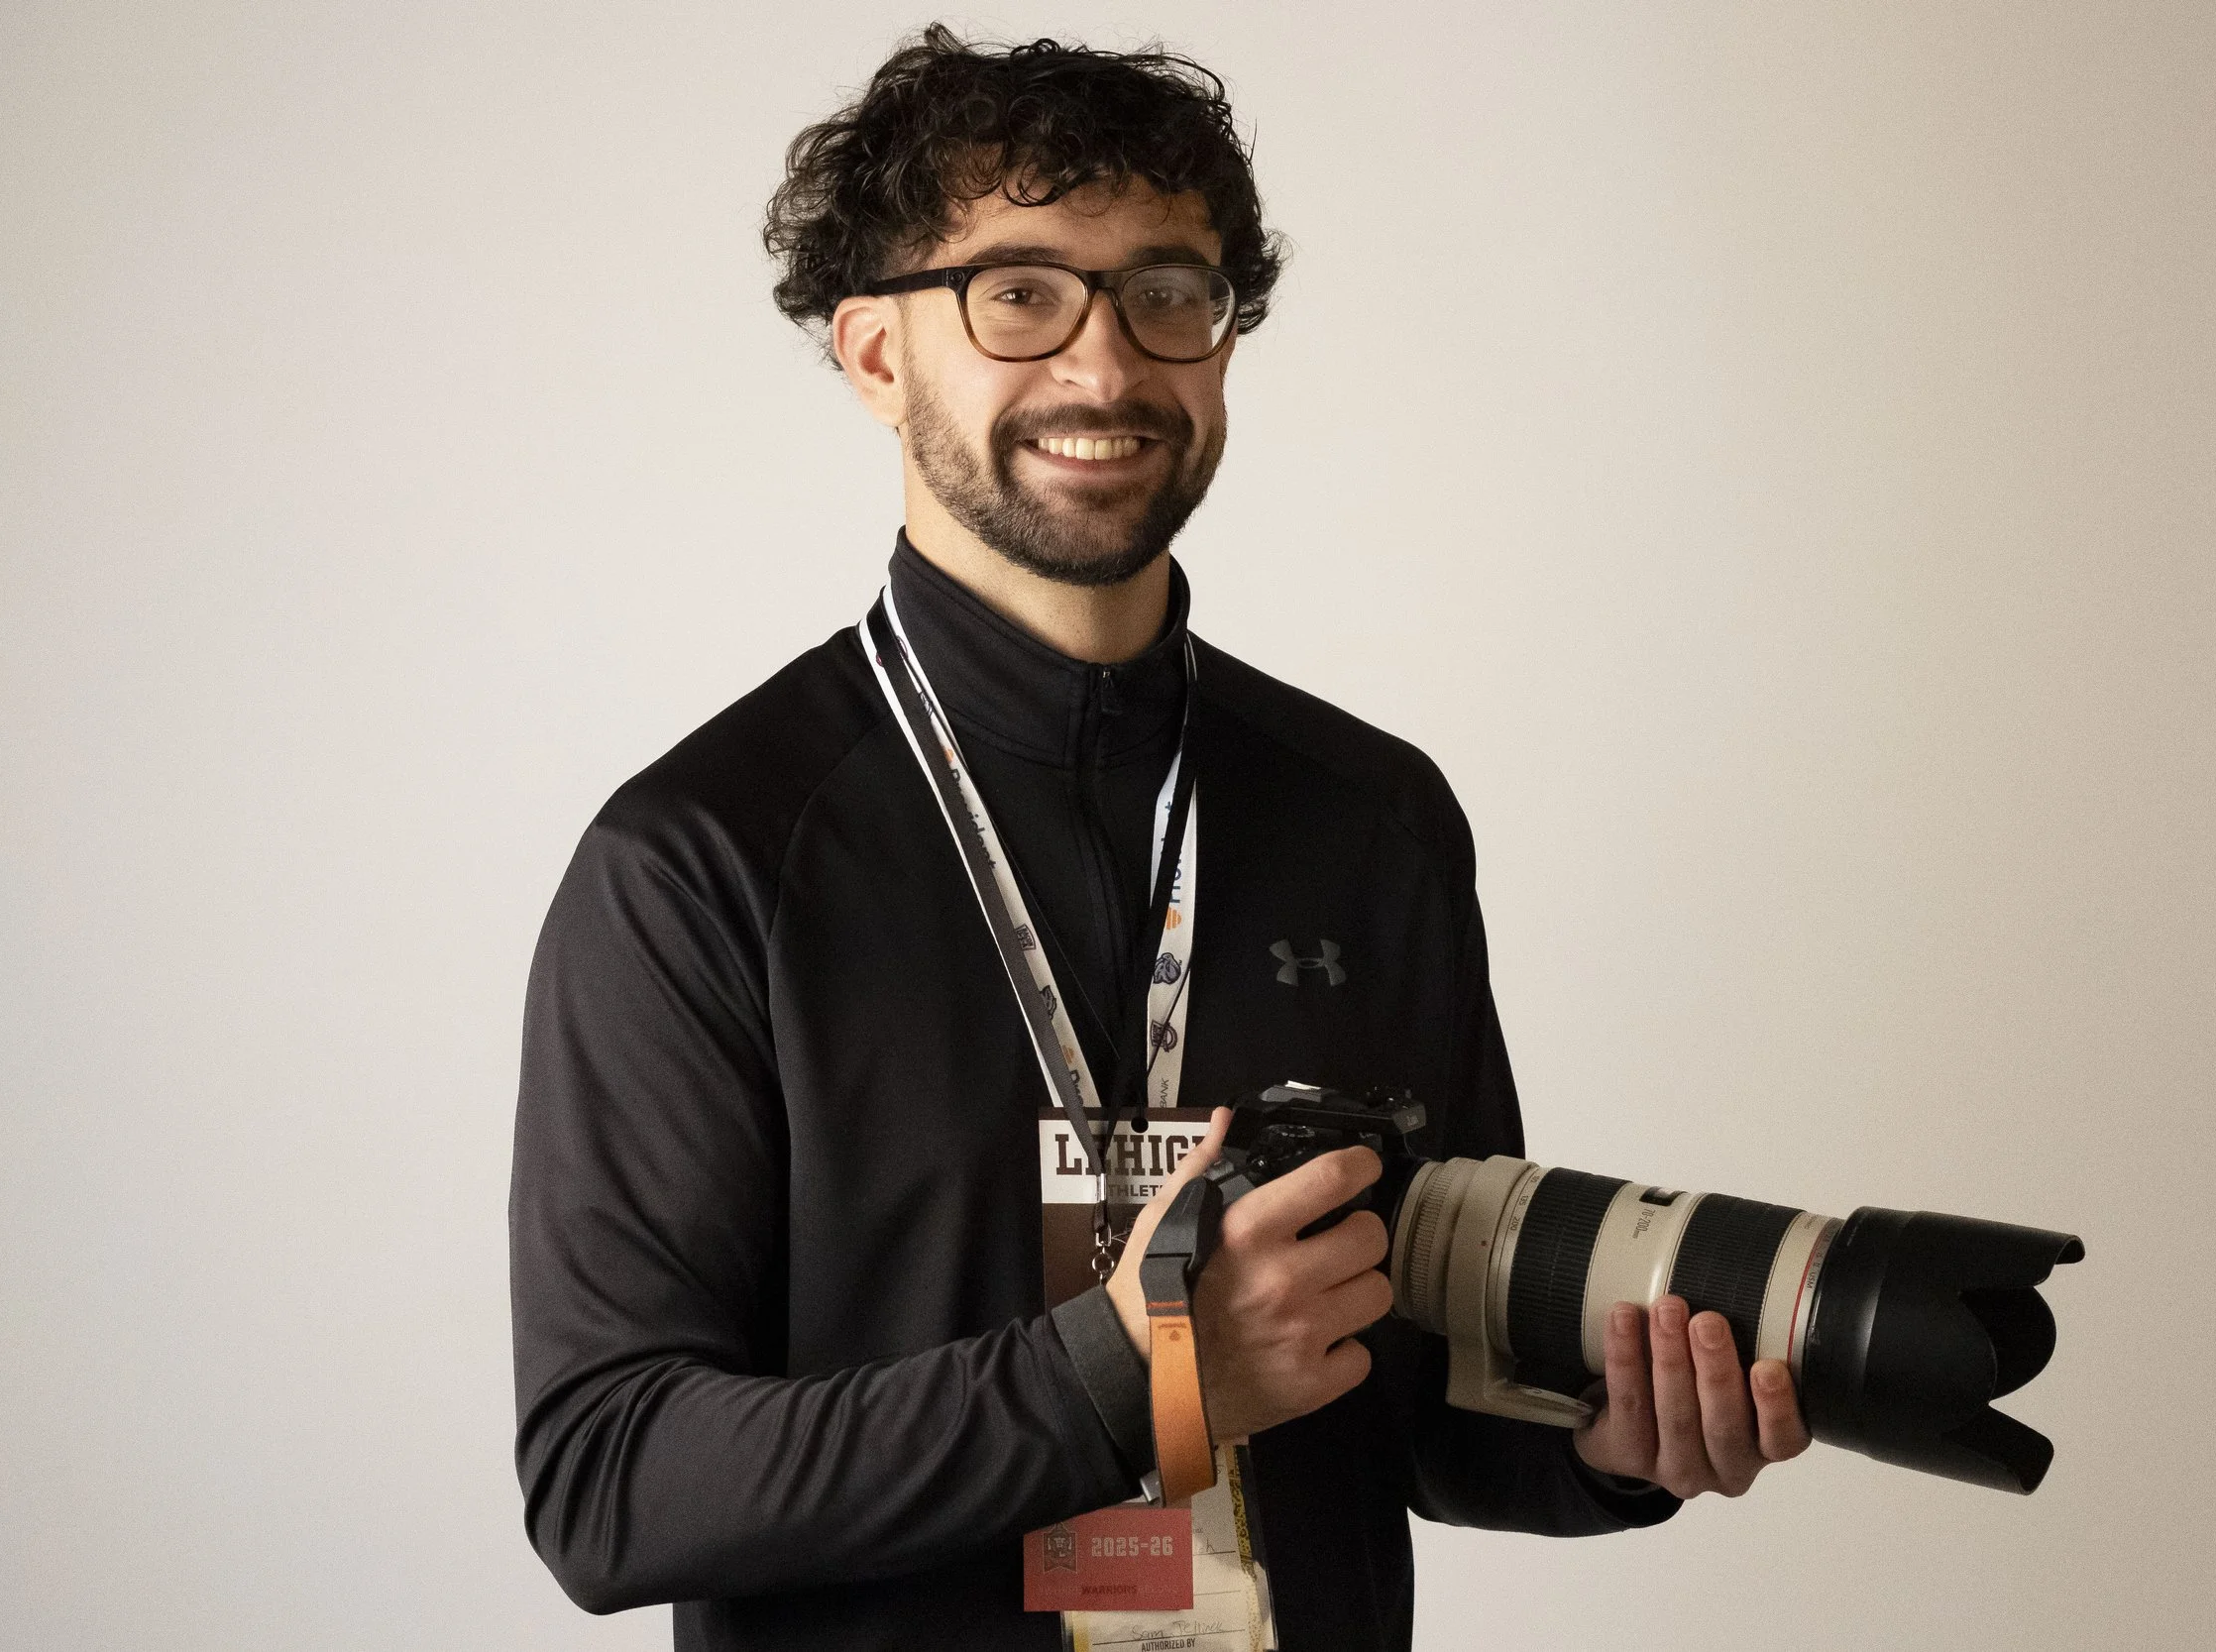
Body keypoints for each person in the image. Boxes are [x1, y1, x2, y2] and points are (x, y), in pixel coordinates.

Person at [510, 26, 1808, 1652]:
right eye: (1020, 293)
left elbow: (1417, 1399)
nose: (1107, 366)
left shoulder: (1373, 814)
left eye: (1166, 294)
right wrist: (1132, 1373)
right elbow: (608, 1478)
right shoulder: (701, 859)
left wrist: (1610, 1441)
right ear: (875, 353)